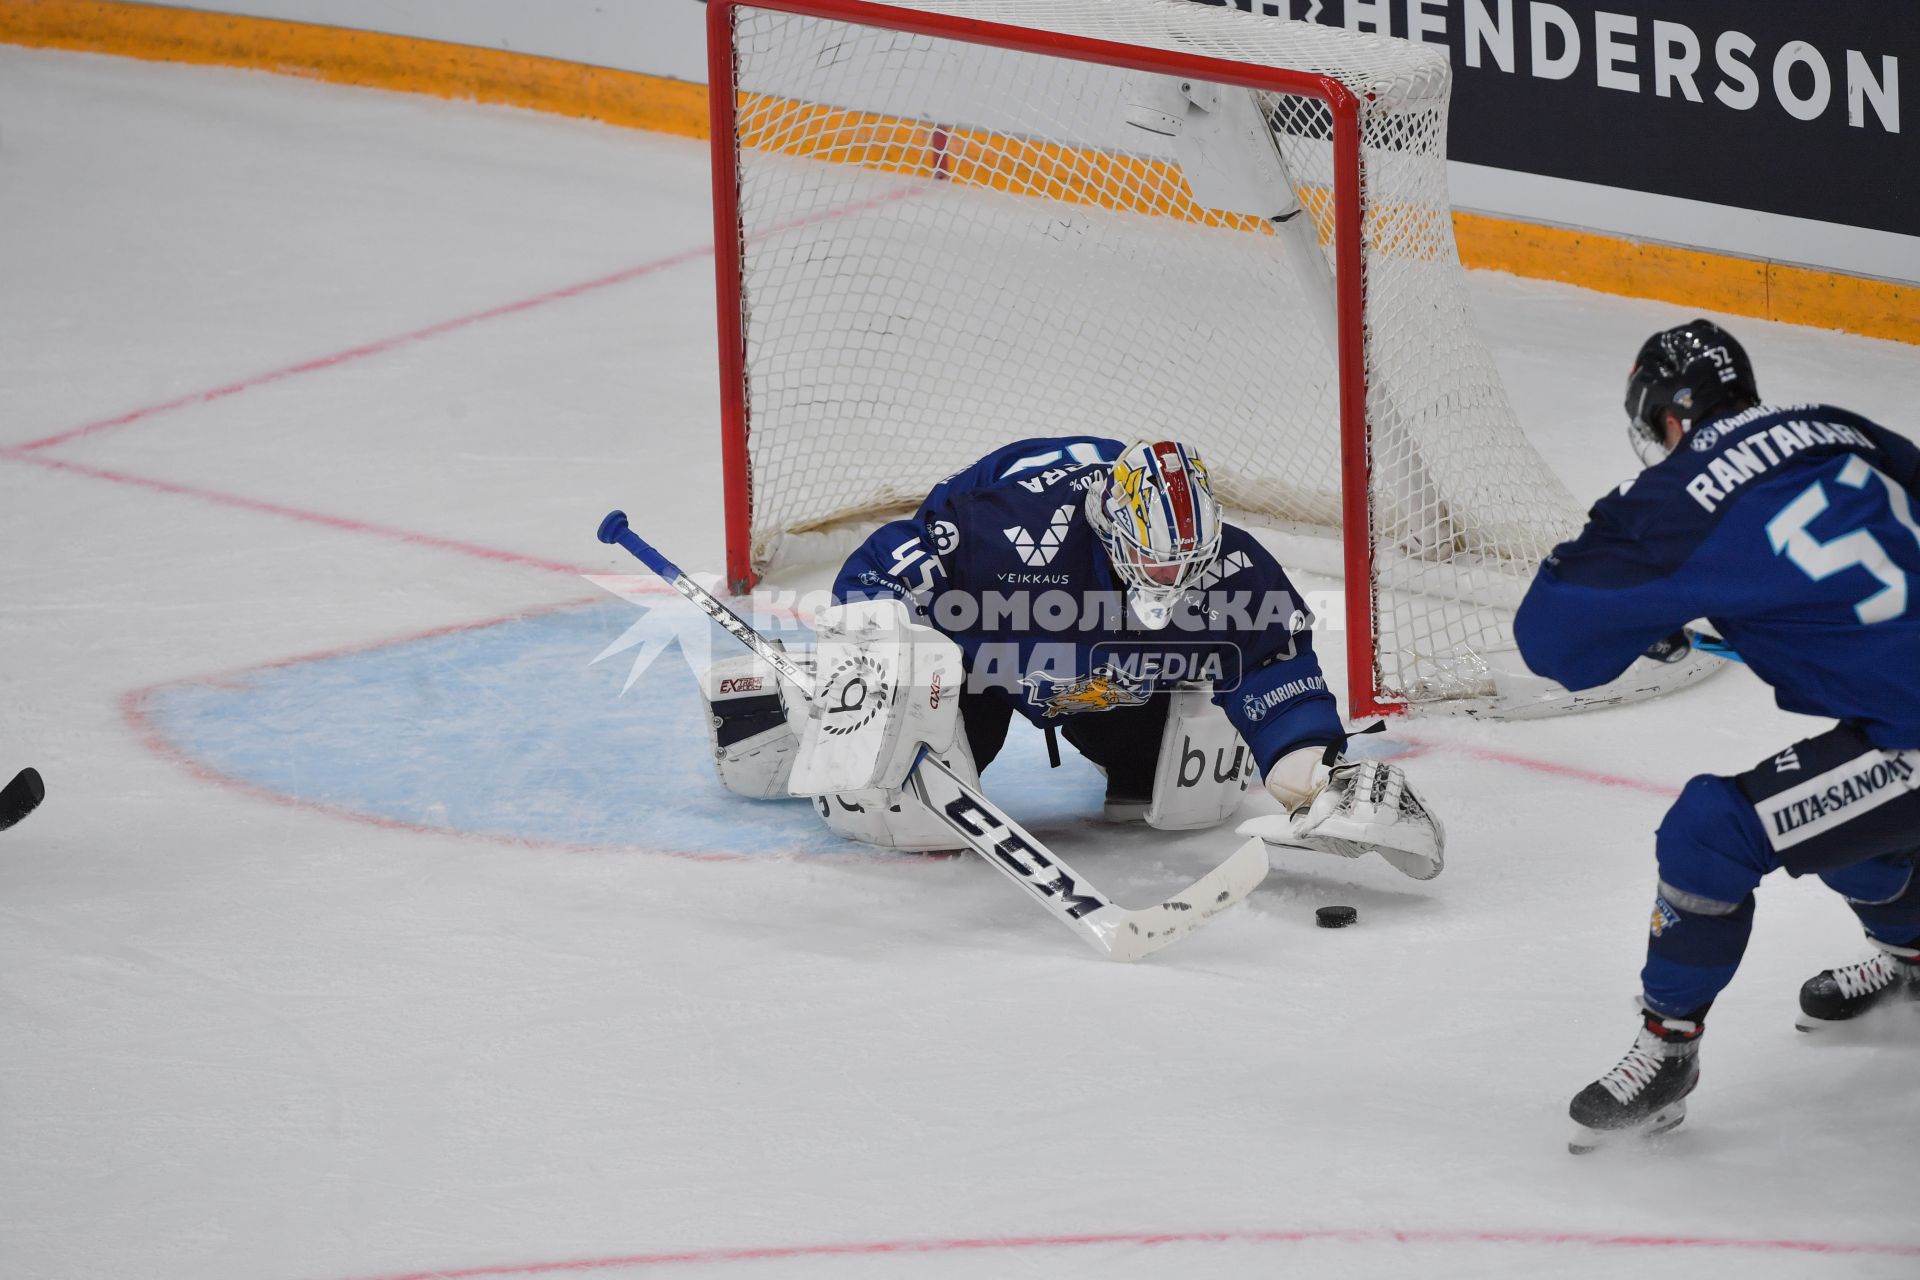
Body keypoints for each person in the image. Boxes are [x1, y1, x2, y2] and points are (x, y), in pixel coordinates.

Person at [1515, 320, 1920, 1153]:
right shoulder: (1844, 425)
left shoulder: (1670, 501)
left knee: (1713, 829)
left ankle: (1667, 1053)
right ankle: (1914, 964)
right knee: (1838, 817)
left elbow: (1552, 646)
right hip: (1900, 722)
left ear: (1666, 419)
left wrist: (1641, 611)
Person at [700, 436, 1443, 879]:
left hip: (1108, 686)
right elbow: (882, 568)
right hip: (985, 666)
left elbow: (1276, 674)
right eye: (1154, 567)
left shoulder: (1231, 568)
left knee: (1177, 800)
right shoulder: (1007, 530)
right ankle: (807, 718)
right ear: (1114, 536)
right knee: (918, 817)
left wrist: (1319, 778)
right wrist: (871, 667)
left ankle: (1122, 753)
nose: (1174, 583)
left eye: (1189, 564)